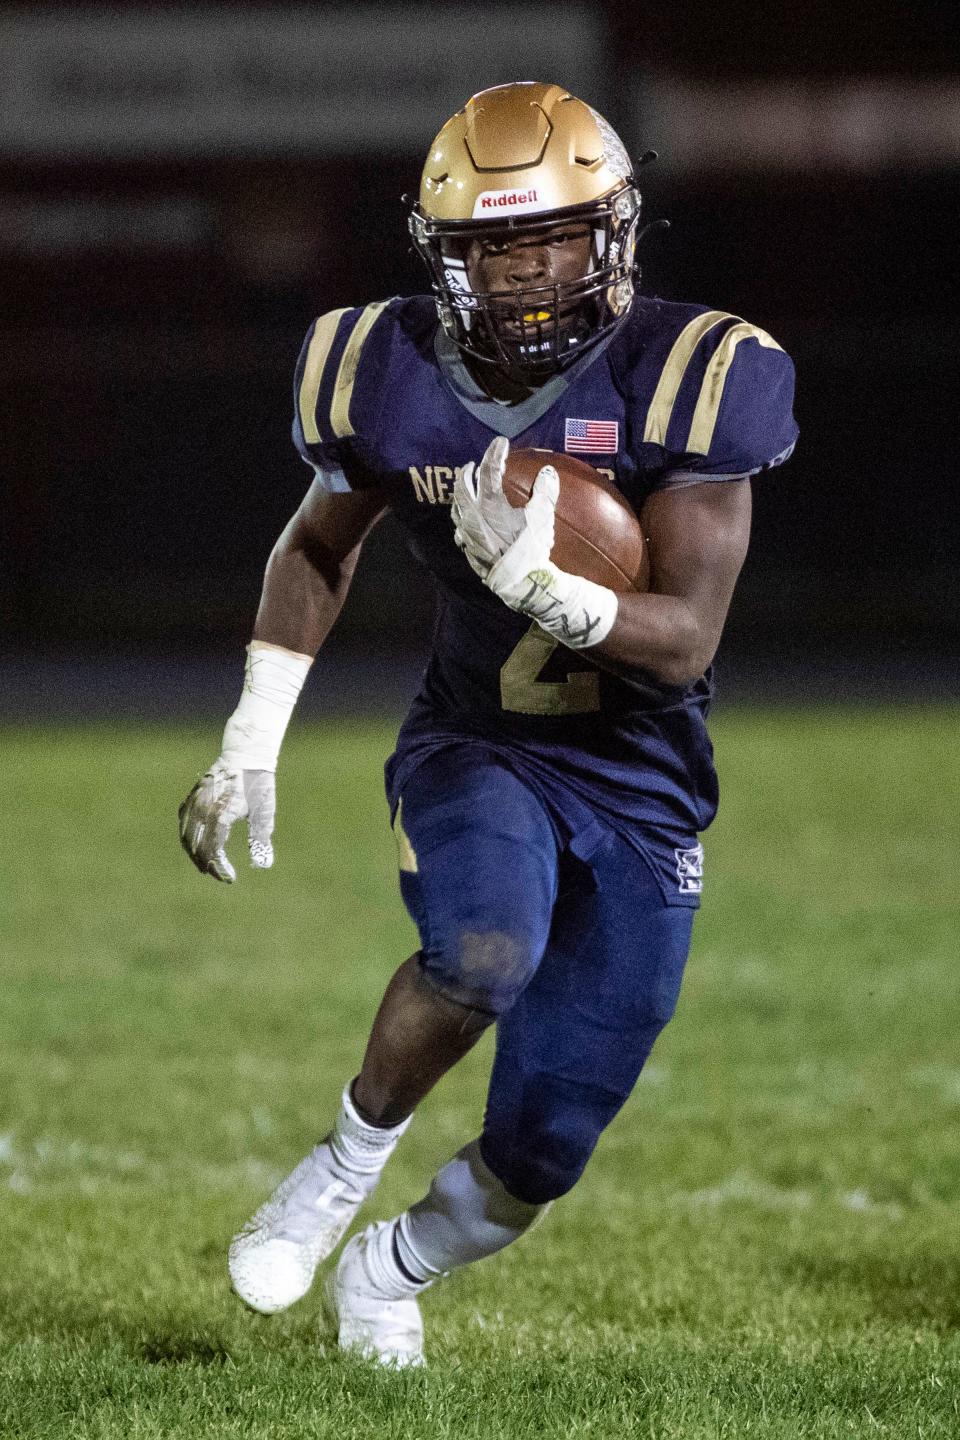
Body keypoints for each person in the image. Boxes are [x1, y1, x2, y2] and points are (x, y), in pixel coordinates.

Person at [179, 81, 797, 1367]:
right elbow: (316, 544)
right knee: (482, 951)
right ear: (438, 252)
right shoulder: (379, 363)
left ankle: (389, 1269)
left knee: (547, 1143)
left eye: (552, 237)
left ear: (612, 233)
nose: (522, 271)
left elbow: (684, 641)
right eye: (489, 245)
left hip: (640, 778)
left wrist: (553, 593)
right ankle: (338, 1168)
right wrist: (251, 736)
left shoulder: (694, 373)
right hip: (481, 743)